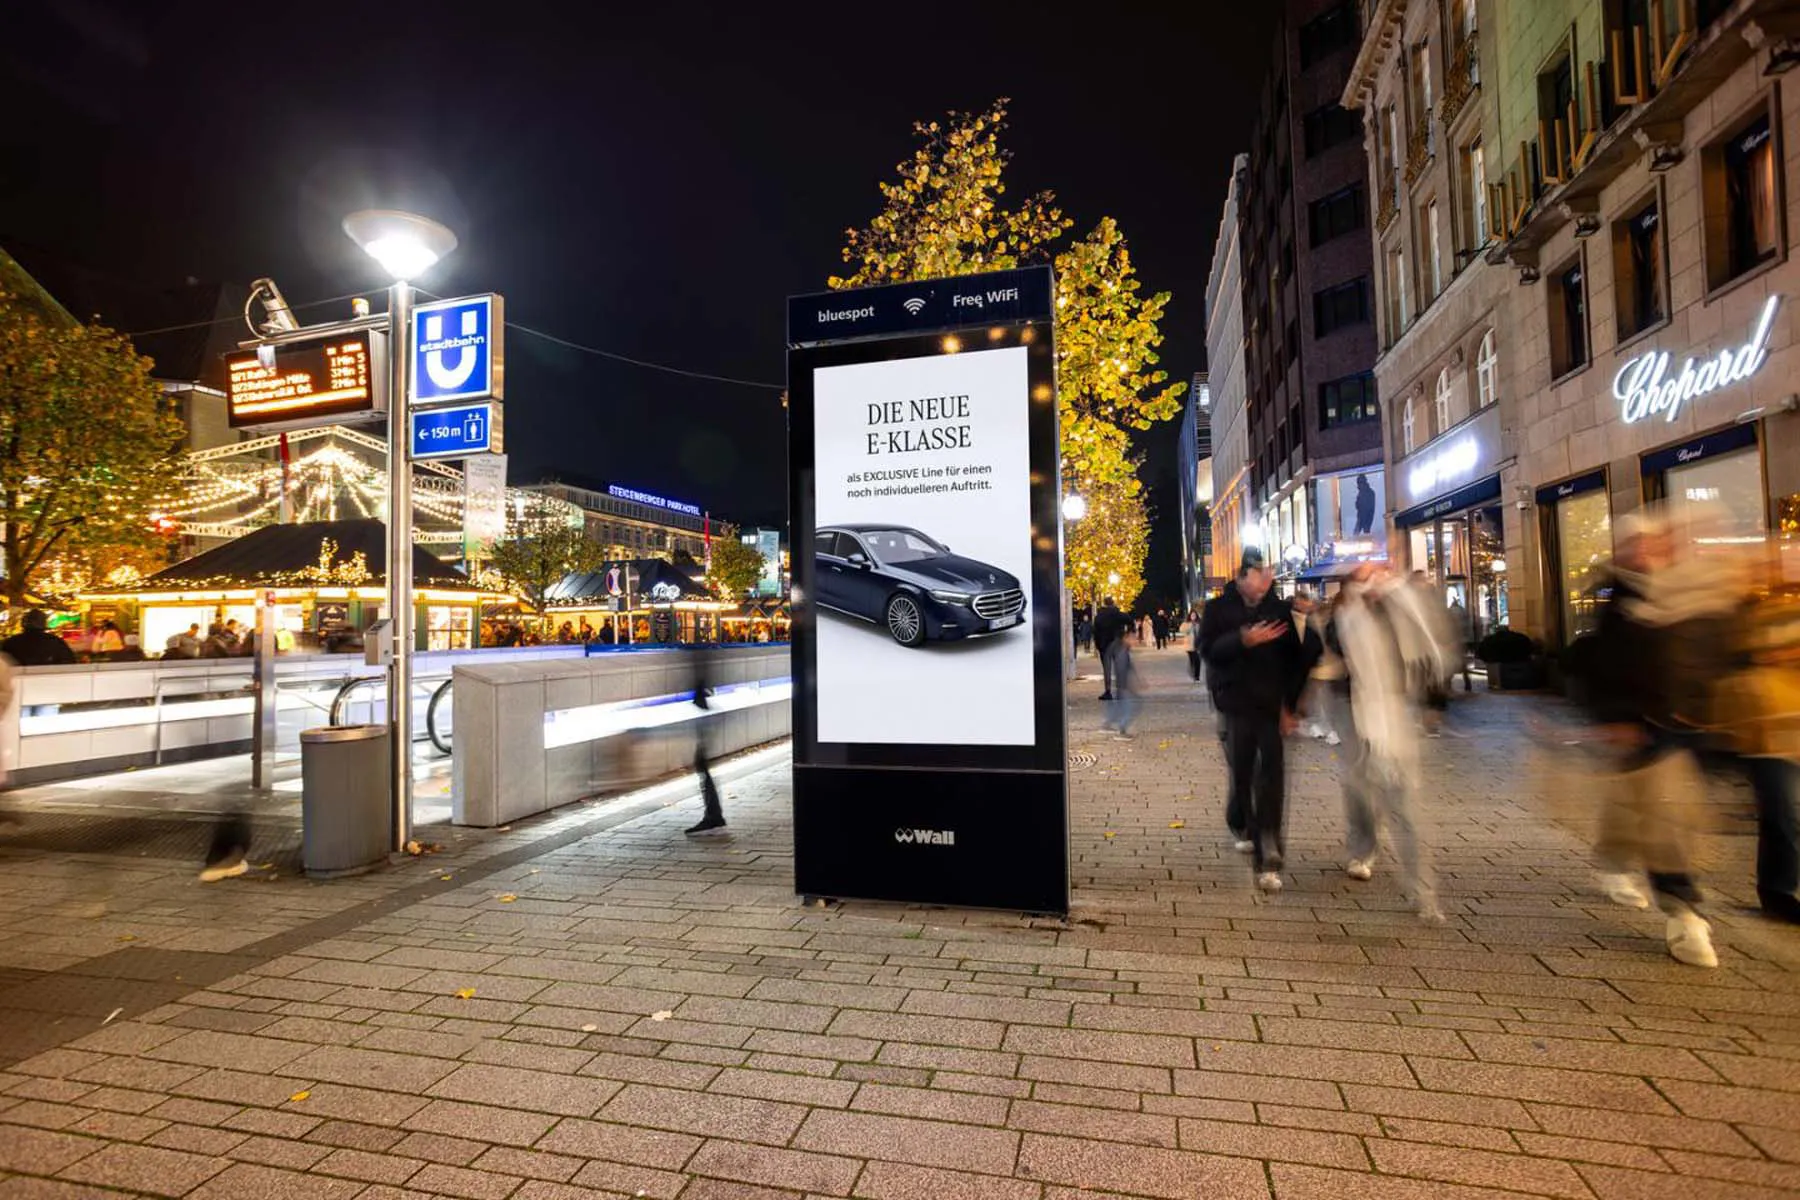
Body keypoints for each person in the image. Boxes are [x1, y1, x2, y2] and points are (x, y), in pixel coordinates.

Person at [1577, 511, 1722, 967]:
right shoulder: (1620, 601)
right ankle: (1684, 915)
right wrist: (1614, 716)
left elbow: (1721, 653)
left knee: (1654, 809)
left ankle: (1619, 859)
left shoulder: (1696, 593)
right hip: (1641, 722)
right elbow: (1601, 666)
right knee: (1663, 814)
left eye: (1652, 543)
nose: (1645, 551)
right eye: (1635, 544)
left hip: (1695, 723)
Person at [1201, 548, 1320, 890]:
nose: (1265, 580)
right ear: (1242, 578)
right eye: (1259, 575)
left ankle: (1269, 849)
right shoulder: (1219, 610)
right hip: (1236, 705)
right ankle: (1247, 826)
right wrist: (1242, 640)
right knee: (1242, 776)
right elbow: (1209, 651)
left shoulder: (1279, 610)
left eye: (1268, 575)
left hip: (1271, 707)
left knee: (1272, 776)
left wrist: (1291, 706)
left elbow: (1304, 654)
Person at [1330, 566, 1440, 921]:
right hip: (1366, 727)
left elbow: (1426, 642)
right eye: (1367, 578)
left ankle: (1423, 892)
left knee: (1406, 812)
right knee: (1362, 796)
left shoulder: (1402, 618)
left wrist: (1433, 704)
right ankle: (1364, 849)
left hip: (1398, 726)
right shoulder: (1350, 621)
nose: (1377, 579)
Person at [685, 648, 726, 834]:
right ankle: (714, 813)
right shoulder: (703, 653)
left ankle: (713, 814)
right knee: (702, 766)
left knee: (702, 765)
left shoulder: (699, 654)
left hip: (704, 715)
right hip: (705, 714)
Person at [1103, 631, 1142, 740]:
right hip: (1123, 686)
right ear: (1126, 638)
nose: (1135, 641)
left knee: (1120, 707)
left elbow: (1129, 668)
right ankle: (1122, 730)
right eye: (1133, 638)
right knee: (1130, 707)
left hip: (1122, 686)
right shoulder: (1123, 652)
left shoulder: (1125, 650)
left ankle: (1109, 724)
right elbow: (1121, 669)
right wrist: (1126, 686)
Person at [1, 610, 75, 666]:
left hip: (15, 683)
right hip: (48, 682)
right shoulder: (55, 642)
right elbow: (69, 663)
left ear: (23, 624)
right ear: (44, 624)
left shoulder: (11, 643)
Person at [1092, 597, 1129, 700]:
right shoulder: (1118, 614)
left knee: (1107, 669)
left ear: (1104, 603)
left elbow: (1095, 632)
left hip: (1104, 645)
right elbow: (1130, 621)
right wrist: (1126, 635)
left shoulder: (1099, 616)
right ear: (1113, 603)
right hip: (1117, 643)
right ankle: (1120, 692)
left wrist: (1098, 645)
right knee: (1119, 668)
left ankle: (1108, 691)